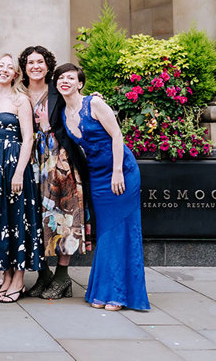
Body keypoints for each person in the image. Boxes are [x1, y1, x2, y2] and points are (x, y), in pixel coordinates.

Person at [56, 64, 149, 311]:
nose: (65, 81)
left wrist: (118, 170)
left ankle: (119, 294)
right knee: (107, 231)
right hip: (97, 176)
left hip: (121, 172)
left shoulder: (94, 104)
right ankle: (104, 290)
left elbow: (117, 135)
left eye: (70, 77)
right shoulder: (64, 112)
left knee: (121, 230)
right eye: (61, 78)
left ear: (80, 83)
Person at [20, 46, 89, 300]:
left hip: (59, 159)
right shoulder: (19, 92)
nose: (35, 66)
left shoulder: (57, 89)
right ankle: (43, 275)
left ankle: (62, 276)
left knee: (64, 214)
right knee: (36, 215)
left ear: (48, 66)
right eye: (30, 62)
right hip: (30, 160)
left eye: (40, 62)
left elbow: (78, 102)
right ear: (24, 67)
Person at [0, 54, 43, 303]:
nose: (5, 70)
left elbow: (28, 138)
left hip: (14, 164)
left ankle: (18, 280)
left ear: (16, 74)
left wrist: (18, 171)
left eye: (10, 67)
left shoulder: (20, 100)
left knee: (17, 218)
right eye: (0, 66)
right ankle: (5, 276)